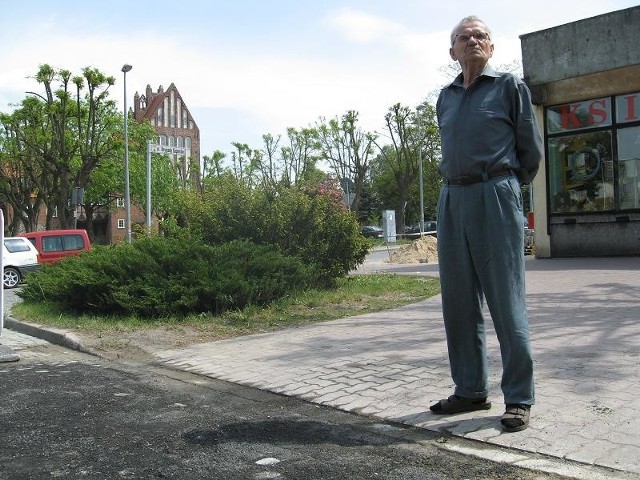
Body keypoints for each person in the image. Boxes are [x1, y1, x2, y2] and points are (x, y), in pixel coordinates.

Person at [429, 15, 543, 433]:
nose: (473, 40)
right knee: (458, 303)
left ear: (491, 48)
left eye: (481, 36)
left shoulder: (510, 87)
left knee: (505, 300)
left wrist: (507, 187)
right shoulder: (445, 97)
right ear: (453, 51)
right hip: (451, 197)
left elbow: (529, 150)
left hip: (495, 192)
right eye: (464, 37)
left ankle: (518, 396)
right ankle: (470, 388)